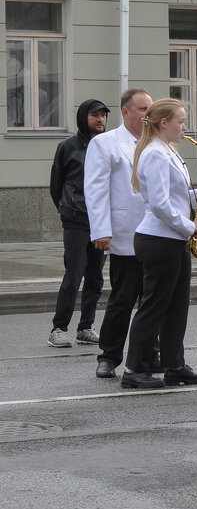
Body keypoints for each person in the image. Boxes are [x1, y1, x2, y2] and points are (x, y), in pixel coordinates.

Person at [123, 98, 197, 389]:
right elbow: (160, 205)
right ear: (164, 123)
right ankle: (134, 369)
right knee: (153, 306)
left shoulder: (167, 151)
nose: (184, 127)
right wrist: (190, 225)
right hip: (160, 239)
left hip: (172, 239)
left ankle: (175, 365)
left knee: (175, 308)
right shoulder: (156, 154)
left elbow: (175, 197)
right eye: (181, 121)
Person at [86, 89, 152, 379]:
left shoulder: (156, 143)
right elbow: (96, 190)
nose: (148, 114)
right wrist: (101, 230)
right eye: (142, 109)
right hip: (126, 233)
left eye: (150, 108)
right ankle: (109, 355)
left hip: (157, 234)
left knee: (153, 300)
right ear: (126, 112)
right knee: (123, 300)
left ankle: (151, 353)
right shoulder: (105, 143)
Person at [48, 99, 109, 348]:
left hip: (101, 223)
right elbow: (56, 185)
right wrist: (67, 211)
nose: (100, 120)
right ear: (84, 117)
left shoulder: (107, 146)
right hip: (75, 222)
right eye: (94, 115)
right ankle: (58, 328)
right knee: (73, 276)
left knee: (95, 278)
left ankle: (85, 328)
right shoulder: (68, 147)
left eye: (103, 116)